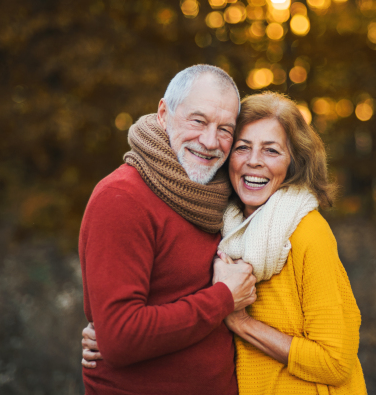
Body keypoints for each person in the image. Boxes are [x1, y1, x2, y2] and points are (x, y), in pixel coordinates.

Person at [83, 91, 368, 394]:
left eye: (271, 151)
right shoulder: (221, 225)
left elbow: (335, 362)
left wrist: (241, 322)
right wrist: (111, 329)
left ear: (294, 163)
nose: (254, 162)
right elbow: (179, 300)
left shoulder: (307, 232)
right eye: (243, 147)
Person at [78, 64, 257, 395]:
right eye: (198, 121)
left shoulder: (224, 198)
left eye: (225, 129)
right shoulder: (121, 198)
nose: (209, 141)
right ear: (164, 113)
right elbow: (120, 338)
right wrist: (223, 298)